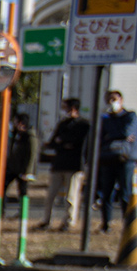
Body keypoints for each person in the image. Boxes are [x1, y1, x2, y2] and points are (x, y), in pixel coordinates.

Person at [37, 98, 88, 230]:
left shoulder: (83, 124)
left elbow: (80, 143)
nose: (65, 110)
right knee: (51, 195)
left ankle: (69, 221)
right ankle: (46, 220)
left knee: (71, 196)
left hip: (74, 165)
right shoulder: (63, 123)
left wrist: (64, 141)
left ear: (74, 108)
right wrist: (62, 143)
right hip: (59, 163)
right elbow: (54, 141)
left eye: (66, 107)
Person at [93, 89, 137, 233]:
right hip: (107, 158)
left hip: (125, 159)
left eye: (114, 99)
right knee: (107, 193)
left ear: (121, 100)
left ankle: (127, 223)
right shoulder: (105, 118)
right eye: (109, 100)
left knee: (125, 193)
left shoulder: (130, 116)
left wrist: (112, 136)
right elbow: (100, 135)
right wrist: (116, 135)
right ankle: (106, 224)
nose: (112, 103)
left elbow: (126, 132)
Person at [2, 112, 36, 201]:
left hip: (23, 168)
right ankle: (1, 210)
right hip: (13, 167)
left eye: (16, 121)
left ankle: (22, 213)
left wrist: (28, 171)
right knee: (3, 185)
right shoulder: (15, 134)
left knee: (22, 190)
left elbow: (32, 154)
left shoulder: (30, 136)